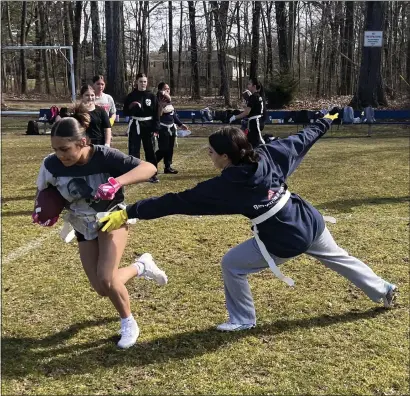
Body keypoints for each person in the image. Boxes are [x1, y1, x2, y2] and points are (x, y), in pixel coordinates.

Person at [98, 113, 398, 331]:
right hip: (310, 220)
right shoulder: (268, 154)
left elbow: (176, 201)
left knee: (232, 264)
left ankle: (243, 320)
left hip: (284, 237)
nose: (209, 155)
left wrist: (129, 212)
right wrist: (325, 120)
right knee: (341, 258)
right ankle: (383, 289)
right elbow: (303, 138)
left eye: (212, 152)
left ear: (226, 156)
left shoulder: (227, 186)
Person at [32, 104, 168, 349]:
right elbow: (44, 191)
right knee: (100, 288)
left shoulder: (105, 156)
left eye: (65, 149)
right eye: (55, 149)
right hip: (82, 224)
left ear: (82, 142)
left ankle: (128, 323)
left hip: (111, 217)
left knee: (107, 278)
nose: (60, 155)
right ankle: (142, 266)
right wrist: (43, 210)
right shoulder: (51, 164)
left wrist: (117, 182)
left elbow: (149, 168)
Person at [123, 73, 160, 183]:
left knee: (150, 151)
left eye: (144, 81)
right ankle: (135, 174)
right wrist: (132, 107)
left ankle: (152, 174)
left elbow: (156, 113)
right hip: (135, 125)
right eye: (140, 81)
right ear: (136, 82)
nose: (143, 83)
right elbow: (125, 112)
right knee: (134, 150)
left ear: (147, 82)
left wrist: (156, 128)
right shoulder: (131, 96)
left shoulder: (152, 96)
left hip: (148, 125)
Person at [156, 82, 188, 174]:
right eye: (165, 89)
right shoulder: (158, 100)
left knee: (170, 148)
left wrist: (180, 124)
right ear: (161, 90)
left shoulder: (169, 101)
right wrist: (161, 105)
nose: (168, 90)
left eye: (168, 89)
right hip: (162, 127)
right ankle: (152, 163)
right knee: (163, 149)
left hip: (171, 127)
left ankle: (168, 166)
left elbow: (173, 114)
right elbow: (158, 115)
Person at [229, 78, 267, 148]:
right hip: (253, 122)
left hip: (255, 122)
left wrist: (235, 117)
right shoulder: (257, 96)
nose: (248, 86)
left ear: (254, 86)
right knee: (249, 142)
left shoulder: (253, 97)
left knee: (259, 143)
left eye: (249, 84)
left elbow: (246, 112)